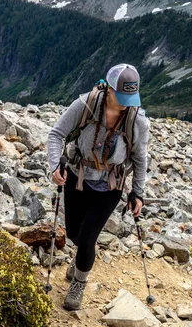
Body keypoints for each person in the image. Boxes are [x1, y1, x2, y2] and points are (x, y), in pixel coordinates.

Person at [47, 63, 149, 311]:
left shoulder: (137, 121)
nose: (127, 103)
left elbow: (140, 158)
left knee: (87, 238)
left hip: (110, 187)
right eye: (122, 96)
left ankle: (79, 282)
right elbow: (56, 134)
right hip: (77, 177)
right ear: (109, 90)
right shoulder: (85, 105)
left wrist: (137, 192)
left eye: (130, 97)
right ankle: (79, 259)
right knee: (73, 233)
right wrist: (53, 167)